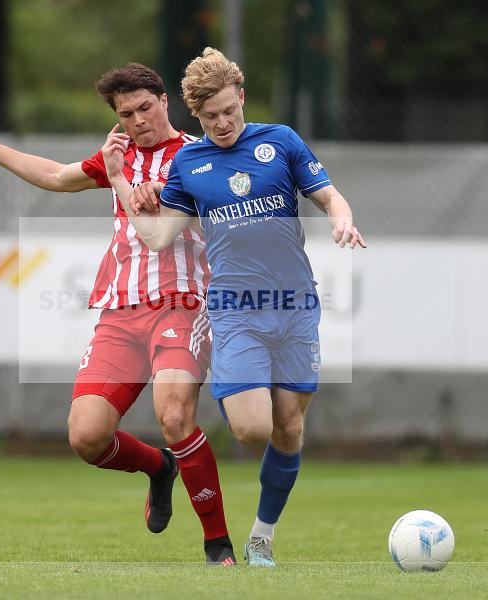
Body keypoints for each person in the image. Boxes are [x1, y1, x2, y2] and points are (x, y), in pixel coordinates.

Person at [0, 63, 235, 565]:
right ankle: (158, 469)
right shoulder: (115, 158)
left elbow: (215, 209)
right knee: (86, 435)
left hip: (183, 303)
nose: (139, 120)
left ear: (165, 100)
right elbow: (56, 176)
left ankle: (218, 544)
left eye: (146, 107)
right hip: (120, 311)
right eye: (127, 114)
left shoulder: (200, 155)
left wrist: (163, 198)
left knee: (173, 415)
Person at [103, 48, 365, 567]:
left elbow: (330, 196)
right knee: (253, 429)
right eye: (210, 117)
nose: (223, 123)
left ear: (241, 99)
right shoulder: (190, 162)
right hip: (234, 309)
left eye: (229, 111)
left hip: (294, 306)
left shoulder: (281, 142)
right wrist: (119, 181)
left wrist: (341, 219)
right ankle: (232, 377)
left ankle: (262, 537)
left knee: (289, 426)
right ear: (195, 117)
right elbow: (157, 238)